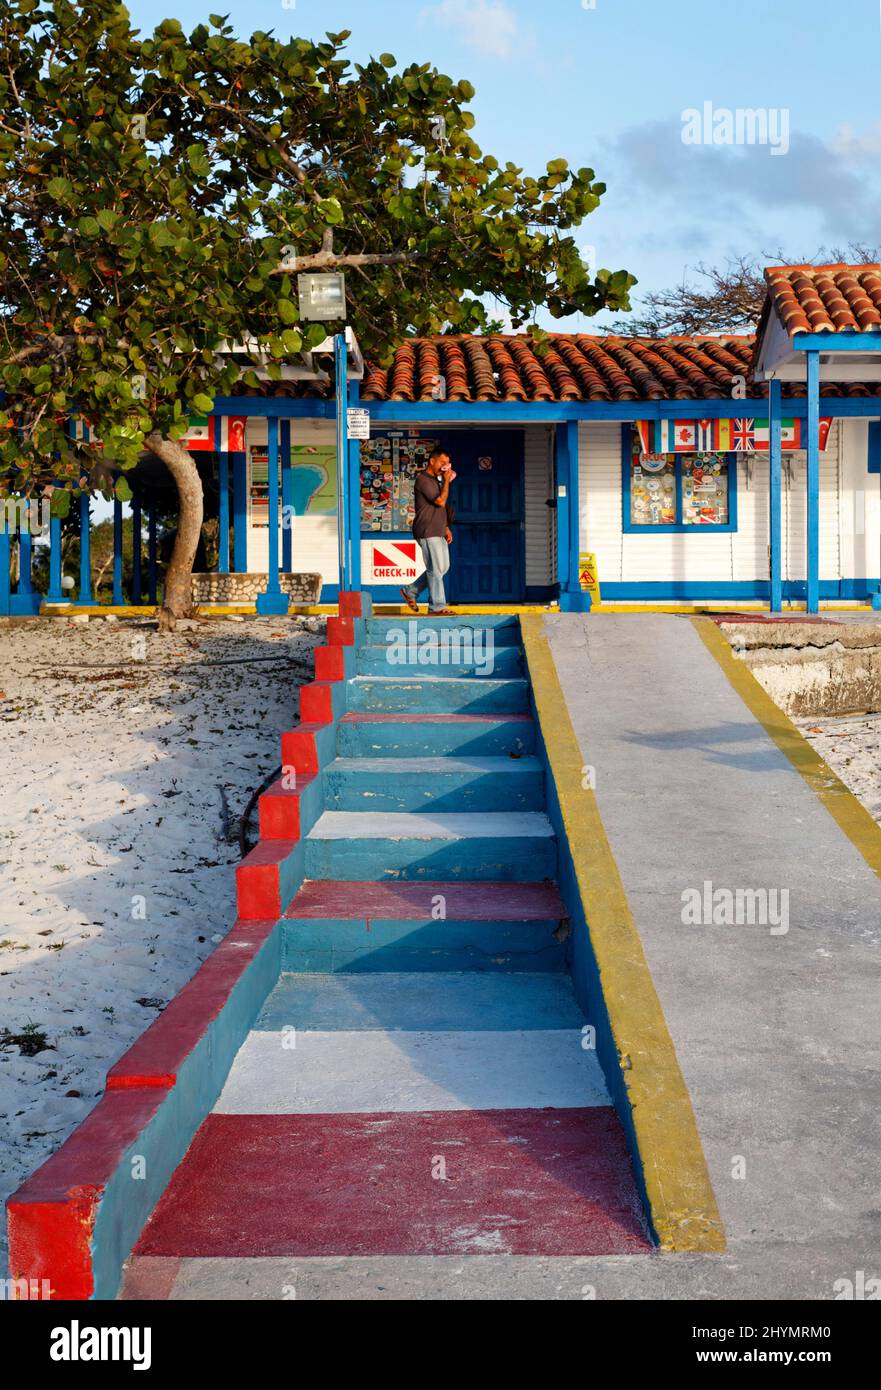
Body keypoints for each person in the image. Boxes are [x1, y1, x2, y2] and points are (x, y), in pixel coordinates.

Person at [400, 447, 456, 615]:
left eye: (447, 463)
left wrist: (446, 527)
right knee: (436, 569)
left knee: (443, 567)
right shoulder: (423, 480)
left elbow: (442, 508)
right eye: (442, 462)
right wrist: (446, 481)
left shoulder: (437, 480)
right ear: (432, 461)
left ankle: (411, 591)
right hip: (426, 528)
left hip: (438, 529)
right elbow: (439, 501)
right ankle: (437, 607)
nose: (445, 466)